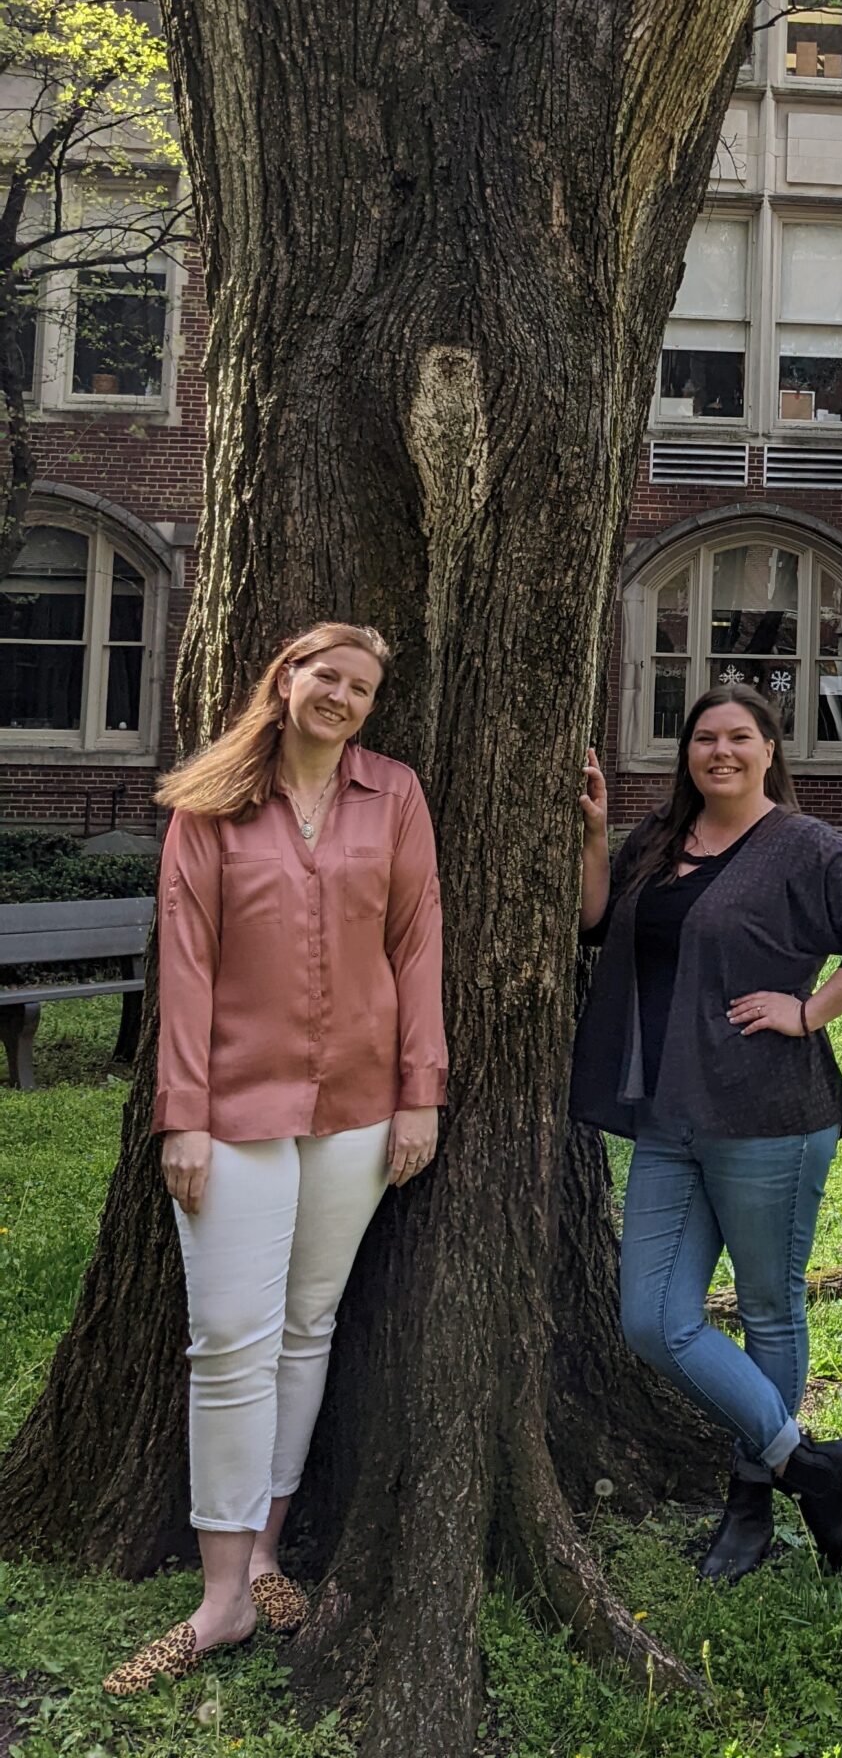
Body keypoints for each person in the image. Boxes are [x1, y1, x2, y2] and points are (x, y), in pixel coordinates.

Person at [103, 623, 446, 1699]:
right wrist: (184, 1117)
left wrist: (418, 1092)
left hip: (357, 1107)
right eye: (324, 675)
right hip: (235, 1106)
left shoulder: (391, 796)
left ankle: (265, 1554)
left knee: (307, 1327)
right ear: (285, 679)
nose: (340, 695)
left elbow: (416, 940)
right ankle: (220, 1598)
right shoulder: (209, 804)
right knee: (227, 1339)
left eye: (360, 685)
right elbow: (187, 964)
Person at [573, 684, 842, 1583]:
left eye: (738, 737)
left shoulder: (802, 845)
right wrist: (592, 833)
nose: (718, 752)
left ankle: (750, 1503)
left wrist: (808, 1012)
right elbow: (596, 924)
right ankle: (807, 1464)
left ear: (769, 749)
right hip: (667, 1117)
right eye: (702, 738)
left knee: (768, 1307)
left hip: (769, 1115)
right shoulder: (658, 839)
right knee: (652, 1320)